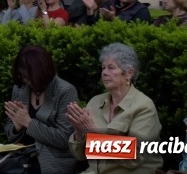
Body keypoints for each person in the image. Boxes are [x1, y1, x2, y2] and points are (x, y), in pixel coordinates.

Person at [67, 43, 162, 172]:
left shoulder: (144, 106)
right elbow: (81, 155)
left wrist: (93, 131)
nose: (105, 73)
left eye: (111, 68)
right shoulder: (95, 102)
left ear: (129, 73)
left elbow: (135, 156)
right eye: (103, 68)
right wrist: (79, 130)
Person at [4, 45, 78, 174]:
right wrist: (17, 128)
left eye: (29, 77)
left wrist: (28, 123)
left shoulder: (65, 91)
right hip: (21, 158)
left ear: (43, 73)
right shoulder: (20, 89)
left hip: (52, 162)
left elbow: (64, 139)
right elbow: (10, 135)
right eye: (23, 76)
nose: (26, 82)